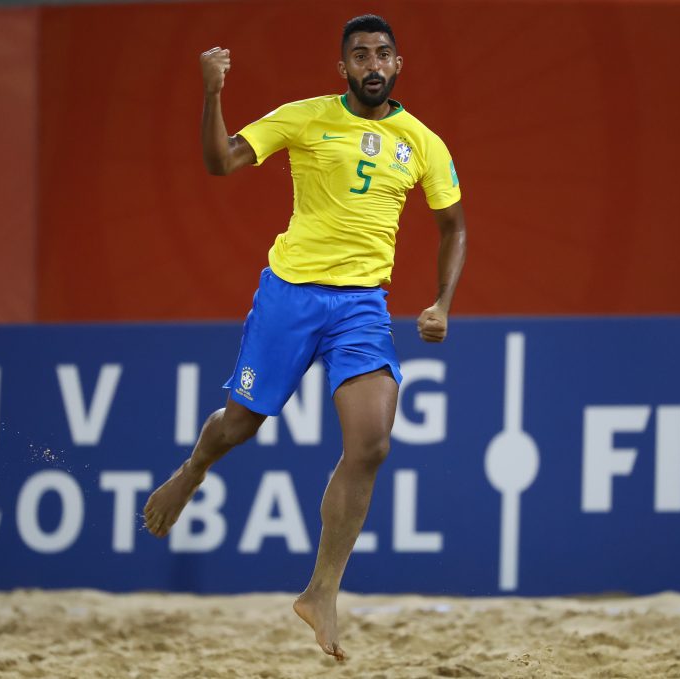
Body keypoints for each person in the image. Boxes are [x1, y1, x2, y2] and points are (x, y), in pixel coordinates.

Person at [142, 14, 467, 661]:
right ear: (341, 68)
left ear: (397, 64)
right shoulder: (305, 116)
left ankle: (321, 590)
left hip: (361, 306)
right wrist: (212, 93)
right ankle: (192, 469)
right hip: (290, 295)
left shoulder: (423, 143)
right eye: (358, 55)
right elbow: (220, 161)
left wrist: (441, 301)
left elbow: (453, 225)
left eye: (381, 54)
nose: (371, 64)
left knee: (372, 443)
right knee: (238, 425)